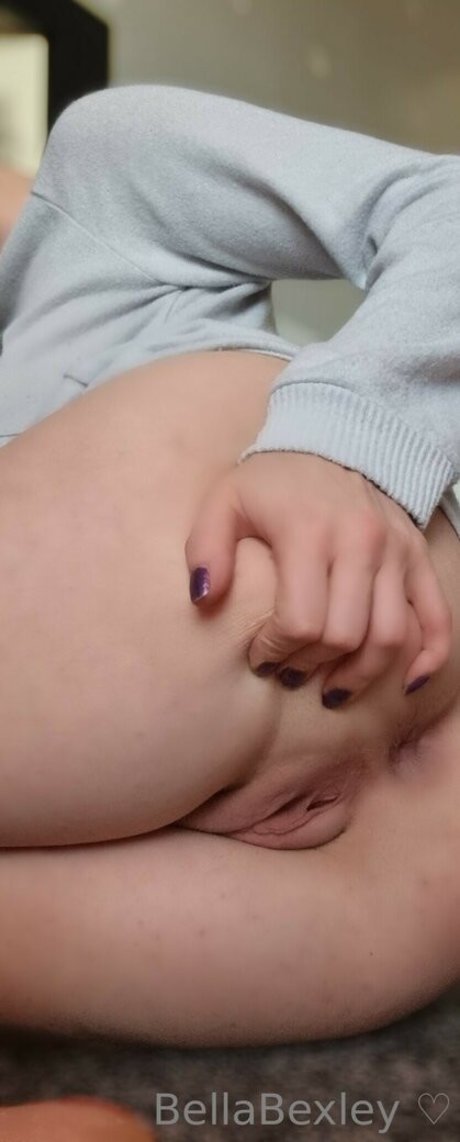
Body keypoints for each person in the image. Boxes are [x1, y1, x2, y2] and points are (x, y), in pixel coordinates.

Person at [0, 85, 459, 1043]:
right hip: (372, 869)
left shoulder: (102, 176)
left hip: (366, 613)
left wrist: (344, 438)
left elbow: (444, 203)